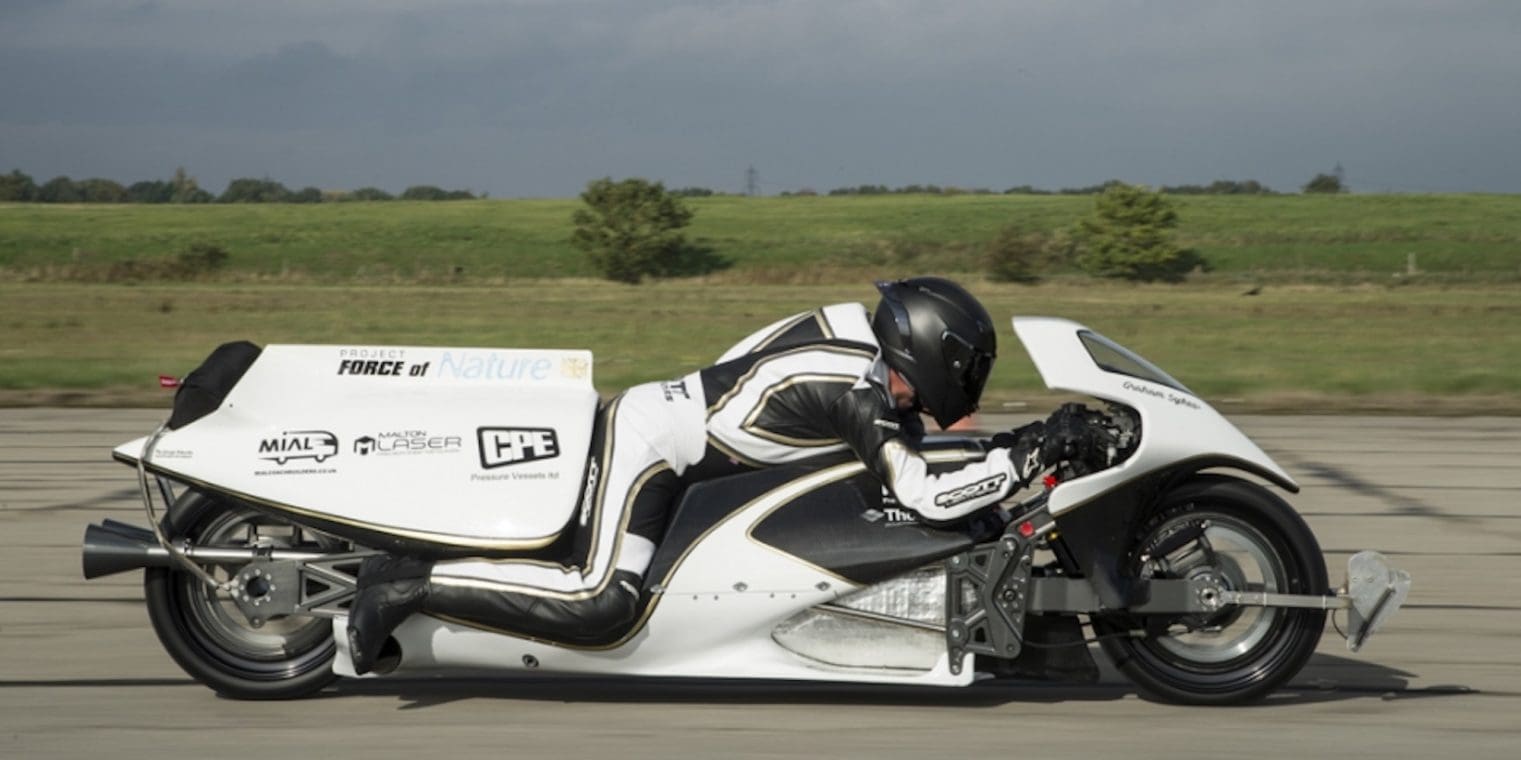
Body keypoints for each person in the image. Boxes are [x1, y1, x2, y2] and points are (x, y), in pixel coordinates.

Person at [346, 277, 1074, 674]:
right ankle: (407, 581)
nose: (964, 382)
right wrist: (1025, 454)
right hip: (651, 451)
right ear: (928, 354)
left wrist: (1019, 446)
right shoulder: (858, 393)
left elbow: (744, 364)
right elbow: (918, 491)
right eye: (962, 368)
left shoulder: (850, 336)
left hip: (674, 436)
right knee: (603, 605)